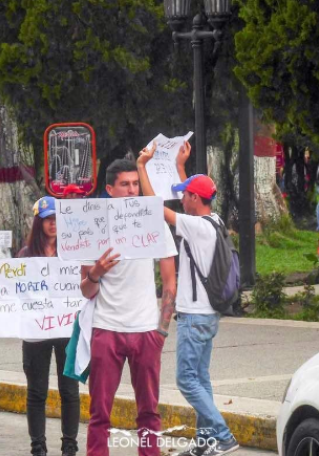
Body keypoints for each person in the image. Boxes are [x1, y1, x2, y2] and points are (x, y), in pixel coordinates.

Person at [137, 142, 240, 456]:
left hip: (195, 316)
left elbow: (155, 208)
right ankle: (205, 443)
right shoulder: (215, 220)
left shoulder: (196, 228)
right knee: (201, 378)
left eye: (185, 194)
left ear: (196, 199)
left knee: (185, 379)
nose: (181, 198)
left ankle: (223, 436)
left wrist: (142, 167)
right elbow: (188, 201)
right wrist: (182, 166)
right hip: (208, 316)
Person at [79, 159, 177, 456]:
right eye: (125, 184)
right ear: (109, 189)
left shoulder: (155, 223)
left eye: (136, 184)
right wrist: (96, 271)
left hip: (146, 330)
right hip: (106, 329)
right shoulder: (93, 228)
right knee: (100, 413)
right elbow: (86, 288)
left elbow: (170, 281)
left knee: (149, 411)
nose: (132, 190)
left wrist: (161, 330)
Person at [0, 196, 80, 456]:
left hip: (67, 330)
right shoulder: (25, 256)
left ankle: (70, 445)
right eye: (48, 219)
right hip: (36, 331)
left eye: (57, 219)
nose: (53, 224)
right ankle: (37, 445)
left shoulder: (74, 252)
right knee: (37, 391)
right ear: (39, 223)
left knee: (69, 390)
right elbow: (12, 291)